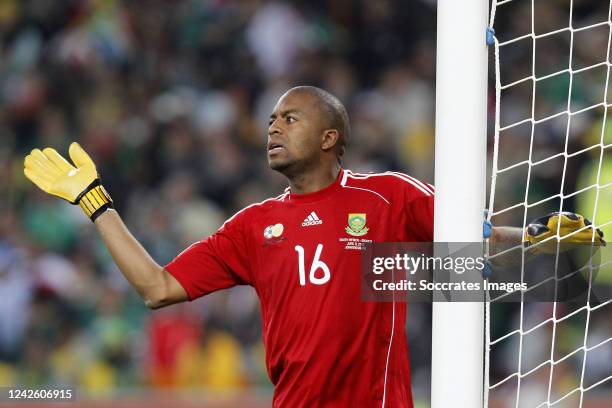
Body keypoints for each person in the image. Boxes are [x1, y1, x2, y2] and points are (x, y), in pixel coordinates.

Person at [23, 86, 603, 407]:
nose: (273, 127)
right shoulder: (252, 227)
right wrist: (96, 202)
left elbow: (472, 242)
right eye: (271, 119)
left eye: (290, 118)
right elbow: (157, 289)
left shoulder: (387, 198)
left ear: (330, 137)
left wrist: (532, 237)